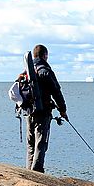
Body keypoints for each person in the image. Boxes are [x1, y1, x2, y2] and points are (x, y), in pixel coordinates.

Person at [25, 44, 68, 173]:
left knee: (31, 143)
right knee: (41, 142)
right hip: (42, 112)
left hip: (28, 111)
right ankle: (37, 171)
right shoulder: (45, 71)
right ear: (45, 55)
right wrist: (63, 109)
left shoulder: (28, 70)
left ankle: (29, 170)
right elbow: (56, 91)